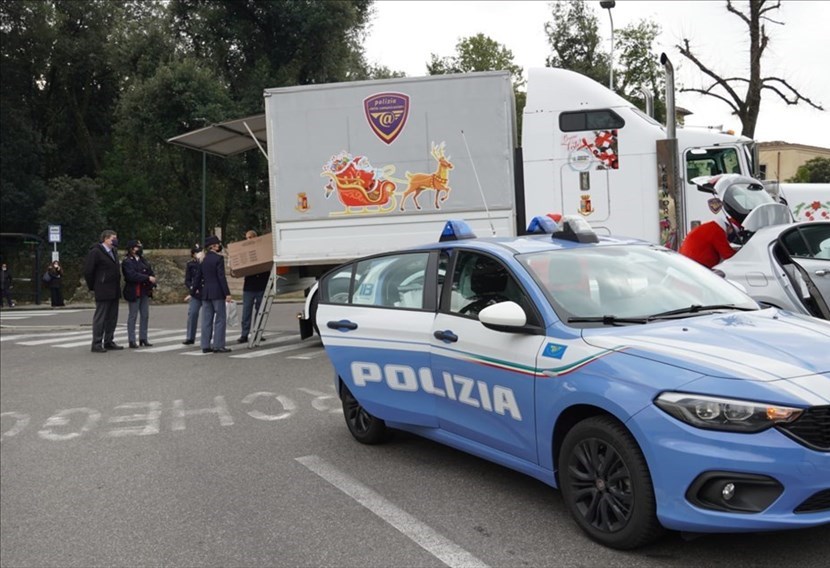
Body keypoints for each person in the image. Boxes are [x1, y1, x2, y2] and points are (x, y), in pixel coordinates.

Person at [84, 230, 123, 353]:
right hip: (102, 288)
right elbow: (88, 271)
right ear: (105, 239)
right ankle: (96, 343)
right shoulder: (96, 252)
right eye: (113, 238)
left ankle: (108, 341)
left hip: (114, 289)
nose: (115, 240)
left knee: (112, 317)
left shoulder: (113, 252)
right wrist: (94, 286)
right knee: (100, 317)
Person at [234, 230, 270, 344]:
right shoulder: (244, 252)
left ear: (255, 237)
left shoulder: (262, 250)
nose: (248, 240)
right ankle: (244, 334)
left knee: (260, 311)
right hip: (249, 287)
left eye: (249, 237)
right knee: (246, 312)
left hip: (261, 285)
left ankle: (257, 332)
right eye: (246, 238)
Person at [200, 235, 232, 354]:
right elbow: (221, 277)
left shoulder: (203, 259)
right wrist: (227, 293)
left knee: (206, 320)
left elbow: (198, 277)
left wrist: (195, 292)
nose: (219, 246)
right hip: (217, 292)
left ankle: (205, 345)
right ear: (213, 246)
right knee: (220, 319)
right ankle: (218, 345)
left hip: (206, 292)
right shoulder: (218, 259)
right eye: (217, 244)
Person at [122, 239, 157, 348]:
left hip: (144, 290)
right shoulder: (127, 261)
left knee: (145, 315)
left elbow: (150, 271)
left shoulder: (143, 260)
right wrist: (147, 277)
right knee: (133, 315)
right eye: (137, 247)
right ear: (131, 249)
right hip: (134, 291)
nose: (139, 249)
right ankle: (132, 340)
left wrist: (151, 279)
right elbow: (131, 276)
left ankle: (143, 338)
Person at [182, 243, 204, 345]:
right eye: (196, 252)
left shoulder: (205, 263)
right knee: (192, 314)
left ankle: (206, 336)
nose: (198, 254)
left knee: (207, 316)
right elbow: (187, 280)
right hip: (195, 293)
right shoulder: (190, 264)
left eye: (199, 252)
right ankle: (190, 337)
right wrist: (192, 288)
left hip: (205, 292)